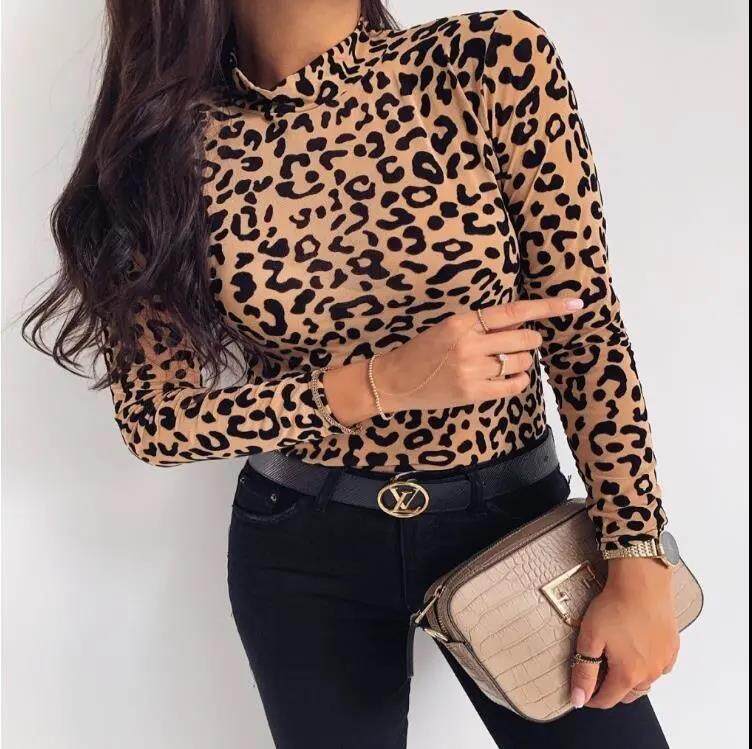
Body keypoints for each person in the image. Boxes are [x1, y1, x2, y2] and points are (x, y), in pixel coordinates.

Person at [23, 2, 679, 747]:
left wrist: (638, 554)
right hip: (303, 548)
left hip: (513, 525)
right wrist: (382, 383)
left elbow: (585, 330)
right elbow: (158, 422)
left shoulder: (488, 61)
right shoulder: (167, 143)